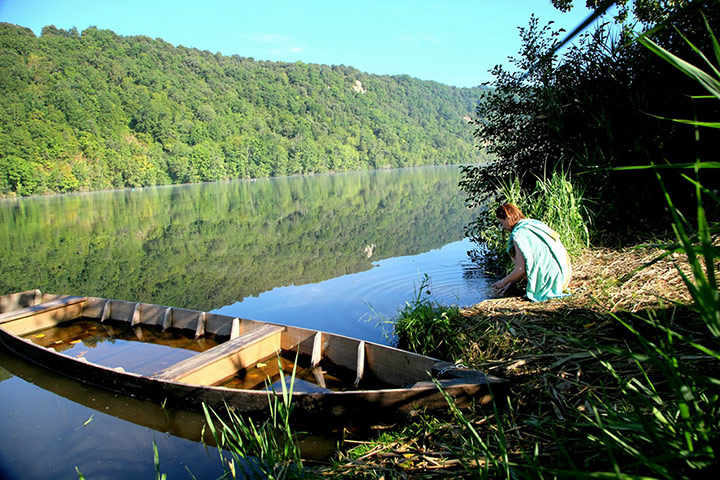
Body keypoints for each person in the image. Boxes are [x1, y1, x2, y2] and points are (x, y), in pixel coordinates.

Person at [491, 203, 571, 302]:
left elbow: (521, 268)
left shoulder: (518, 234)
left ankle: (540, 288)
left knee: (511, 252)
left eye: (502, 223)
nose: (503, 227)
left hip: (553, 283)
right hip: (564, 276)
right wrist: (510, 283)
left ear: (507, 218)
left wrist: (502, 282)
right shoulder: (533, 224)